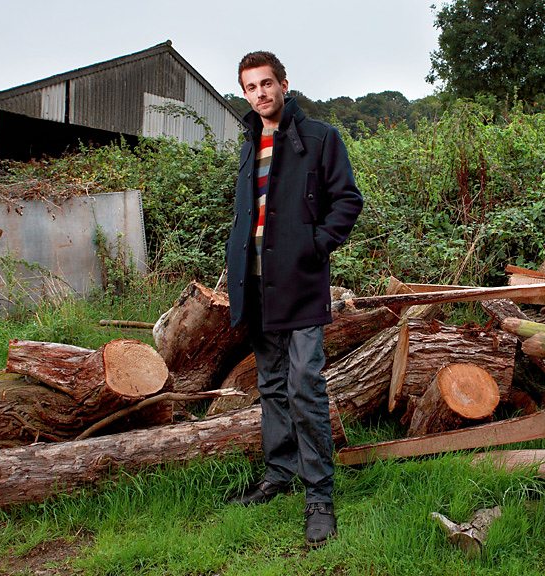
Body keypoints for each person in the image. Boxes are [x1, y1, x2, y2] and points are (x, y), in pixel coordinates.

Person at [224, 51, 363, 547]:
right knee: (271, 384)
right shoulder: (249, 143)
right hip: (256, 283)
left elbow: (347, 200)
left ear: (284, 83)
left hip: (300, 281)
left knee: (305, 383)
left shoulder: (320, 137)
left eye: (266, 83)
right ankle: (278, 474)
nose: (260, 93)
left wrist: (314, 246)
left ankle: (319, 496)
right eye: (251, 87)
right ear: (244, 94)